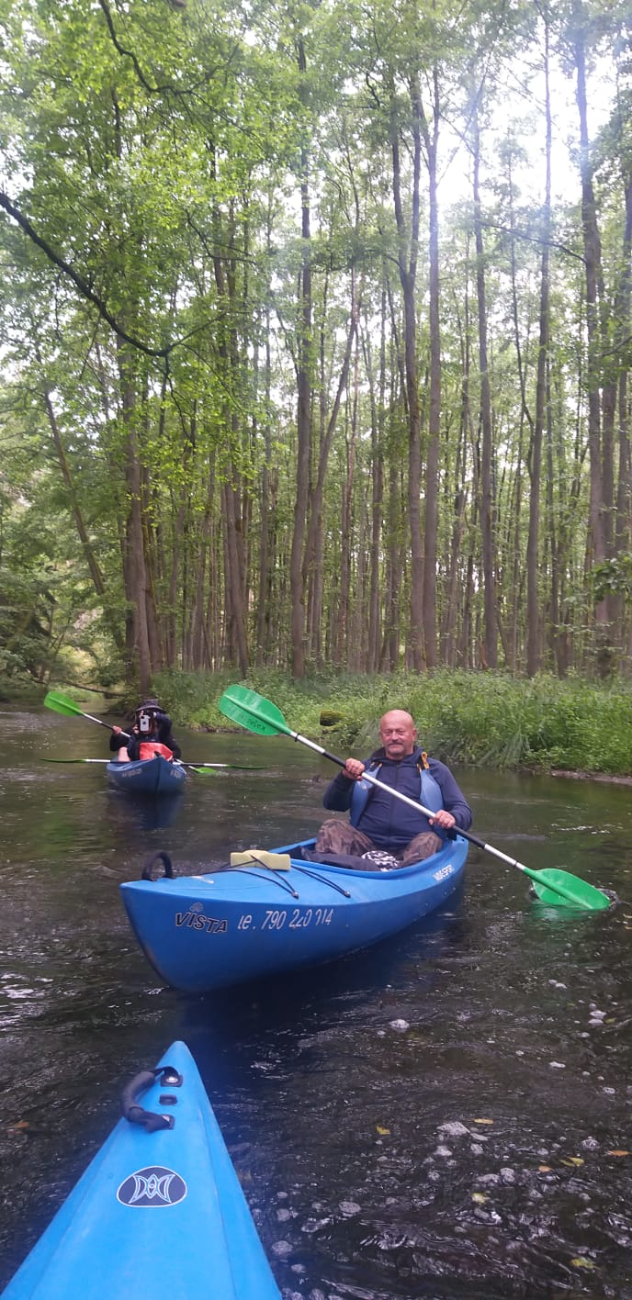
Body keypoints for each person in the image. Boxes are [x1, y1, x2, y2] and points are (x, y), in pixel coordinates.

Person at [314, 708, 472, 867]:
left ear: (413, 734)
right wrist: (345, 778)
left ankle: (401, 879)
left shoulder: (436, 771)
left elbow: (463, 810)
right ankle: (332, 874)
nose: (394, 737)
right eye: (388, 732)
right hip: (366, 844)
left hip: (413, 848)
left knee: (428, 840)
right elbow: (332, 804)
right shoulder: (365, 769)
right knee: (332, 826)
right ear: (381, 736)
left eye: (400, 732)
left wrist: (452, 817)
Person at [110, 698, 181, 763]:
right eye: (145, 713)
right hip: (138, 763)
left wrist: (170, 755)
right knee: (123, 749)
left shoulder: (162, 731)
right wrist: (115, 735)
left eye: (150, 713)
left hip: (157, 759)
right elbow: (114, 747)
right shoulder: (134, 729)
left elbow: (177, 751)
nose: (147, 717)